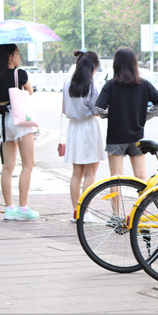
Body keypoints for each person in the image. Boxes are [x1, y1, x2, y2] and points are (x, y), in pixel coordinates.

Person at [95, 47, 158, 180]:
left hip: (115, 137)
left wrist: (110, 115)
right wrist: (145, 116)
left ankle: (116, 195)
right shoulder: (144, 84)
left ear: (116, 64)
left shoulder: (110, 85)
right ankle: (142, 195)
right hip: (137, 136)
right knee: (141, 177)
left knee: (116, 179)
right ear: (134, 63)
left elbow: (99, 108)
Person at [0, 44, 39, 221]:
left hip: (5, 122)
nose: (19, 57)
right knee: (28, 164)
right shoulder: (20, 74)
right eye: (17, 54)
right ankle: (23, 207)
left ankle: (9, 208)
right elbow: (30, 92)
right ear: (10, 56)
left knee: (7, 167)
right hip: (20, 120)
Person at [63, 51, 105, 218]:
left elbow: (64, 109)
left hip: (73, 129)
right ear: (94, 67)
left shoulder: (67, 83)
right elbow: (97, 111)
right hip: (89, 128)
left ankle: (76, 212)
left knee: (76, 174)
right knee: (90, 174)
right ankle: (85, 212)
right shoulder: (93, 85)